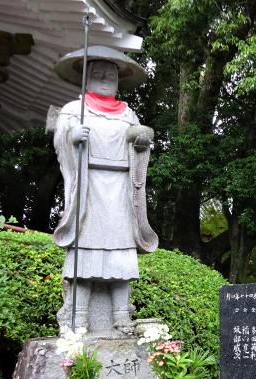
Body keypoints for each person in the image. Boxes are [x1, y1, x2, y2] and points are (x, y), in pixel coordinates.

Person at [52, 46, 158, 333]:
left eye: (110, 75)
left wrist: (142, 141)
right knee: (85, 256)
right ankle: (79, 318)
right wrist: (72, 136)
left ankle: (122, 317)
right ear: (86, 78)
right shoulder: (75, 110)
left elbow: (139, 145)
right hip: (89, 189)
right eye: (97, 73)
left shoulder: (128, 114)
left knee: (121, 258)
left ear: (118, 80)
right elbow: (60, 142)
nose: (104, 78)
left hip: (121, 192)